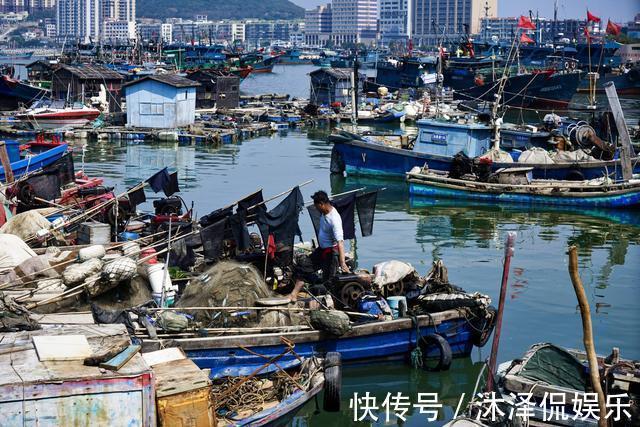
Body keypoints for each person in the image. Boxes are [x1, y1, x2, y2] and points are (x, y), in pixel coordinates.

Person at [289, 190, 351, 301]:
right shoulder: (323, 213)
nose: (315, 208)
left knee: (329, 281)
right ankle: (294, 294)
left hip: (331, 254)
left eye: (316, 205)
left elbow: (340, 242)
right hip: (321, 250)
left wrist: (342, 262)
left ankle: (334, 303)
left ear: (321, 204)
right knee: (305, 266)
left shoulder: (334, 219)